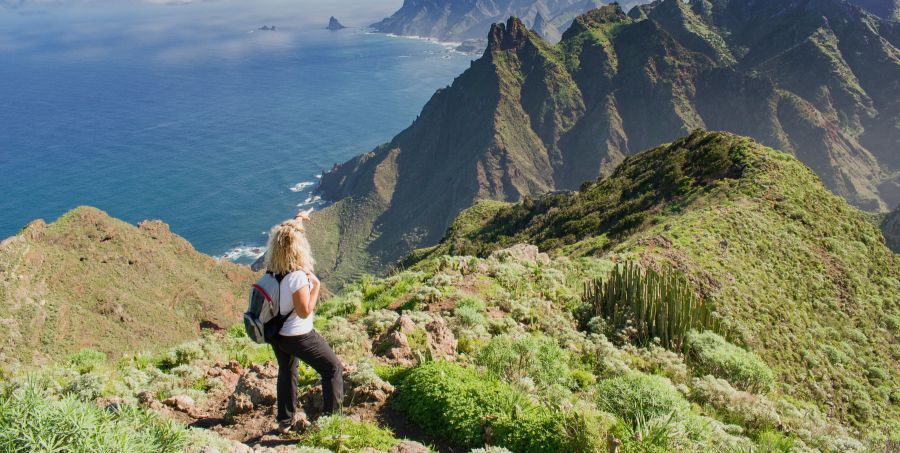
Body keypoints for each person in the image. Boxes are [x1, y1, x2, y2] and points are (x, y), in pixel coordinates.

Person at [264, 211, 343, 433]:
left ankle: (285, 421)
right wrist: (315, 286)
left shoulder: (273, 271)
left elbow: (287, 234)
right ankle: (331, 424)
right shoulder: (297, 277)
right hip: (298, 336)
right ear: (297, 249)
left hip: (277, 334)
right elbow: (304, 311)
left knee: (287, 371)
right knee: (332, 368)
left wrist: (299, 218)